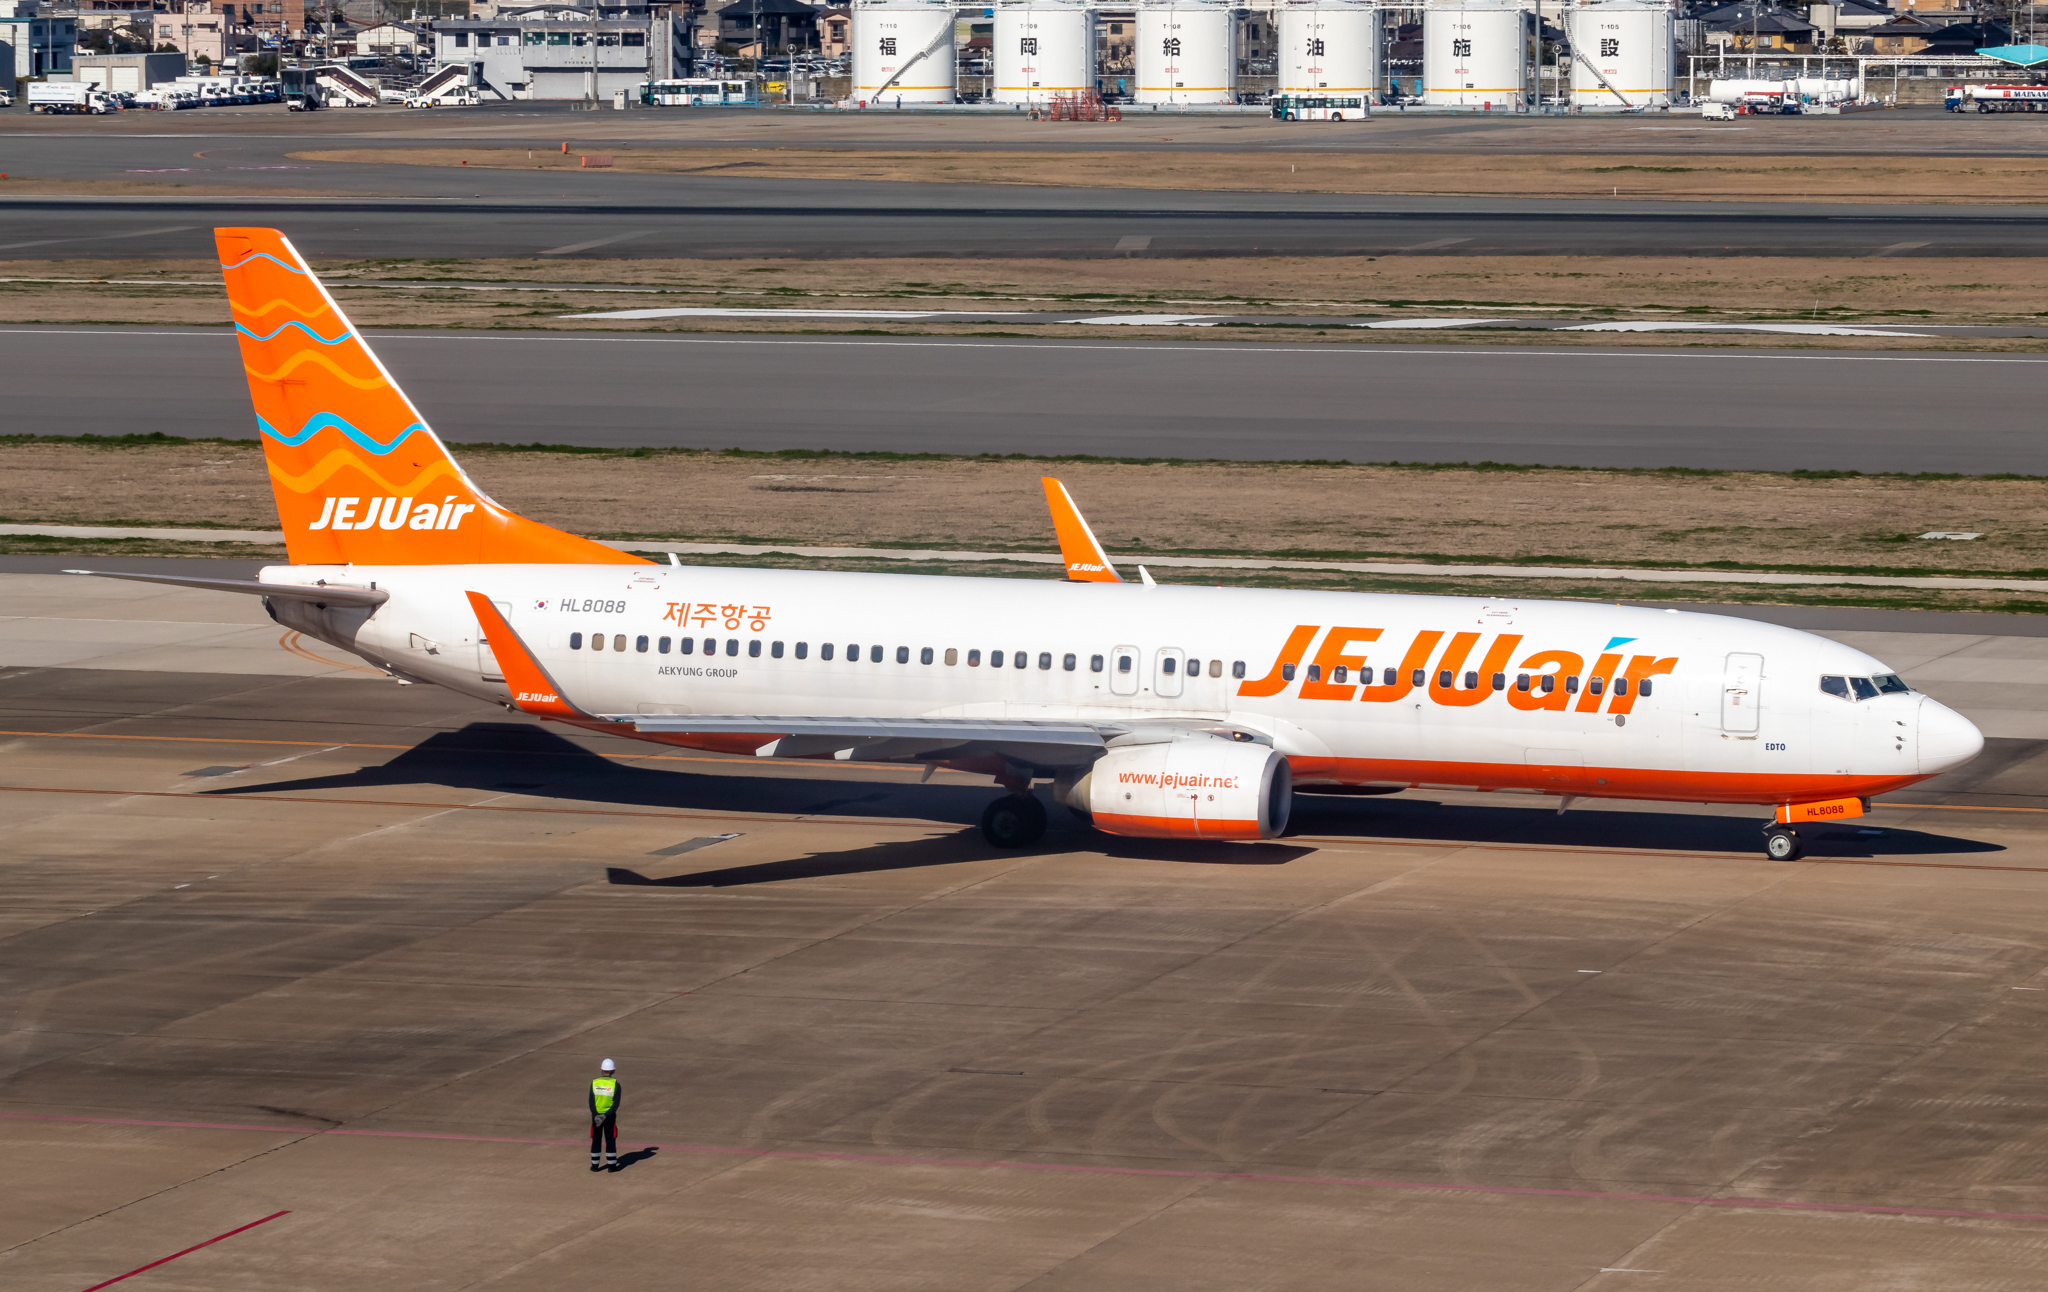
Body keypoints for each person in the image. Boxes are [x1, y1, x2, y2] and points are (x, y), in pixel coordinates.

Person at [589, 1058, 621, 1171]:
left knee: (596, 1140)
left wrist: (596, 1114)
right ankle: (612, 1166)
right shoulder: (615, 1085)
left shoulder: (594, 1083)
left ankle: (594, 1166)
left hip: (596, 1116)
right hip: (609, 1117)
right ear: (613, 1071)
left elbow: (591, 1102)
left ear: (602, 1070)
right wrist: (606, 1114)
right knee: (610, 1140)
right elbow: (615, 1104)